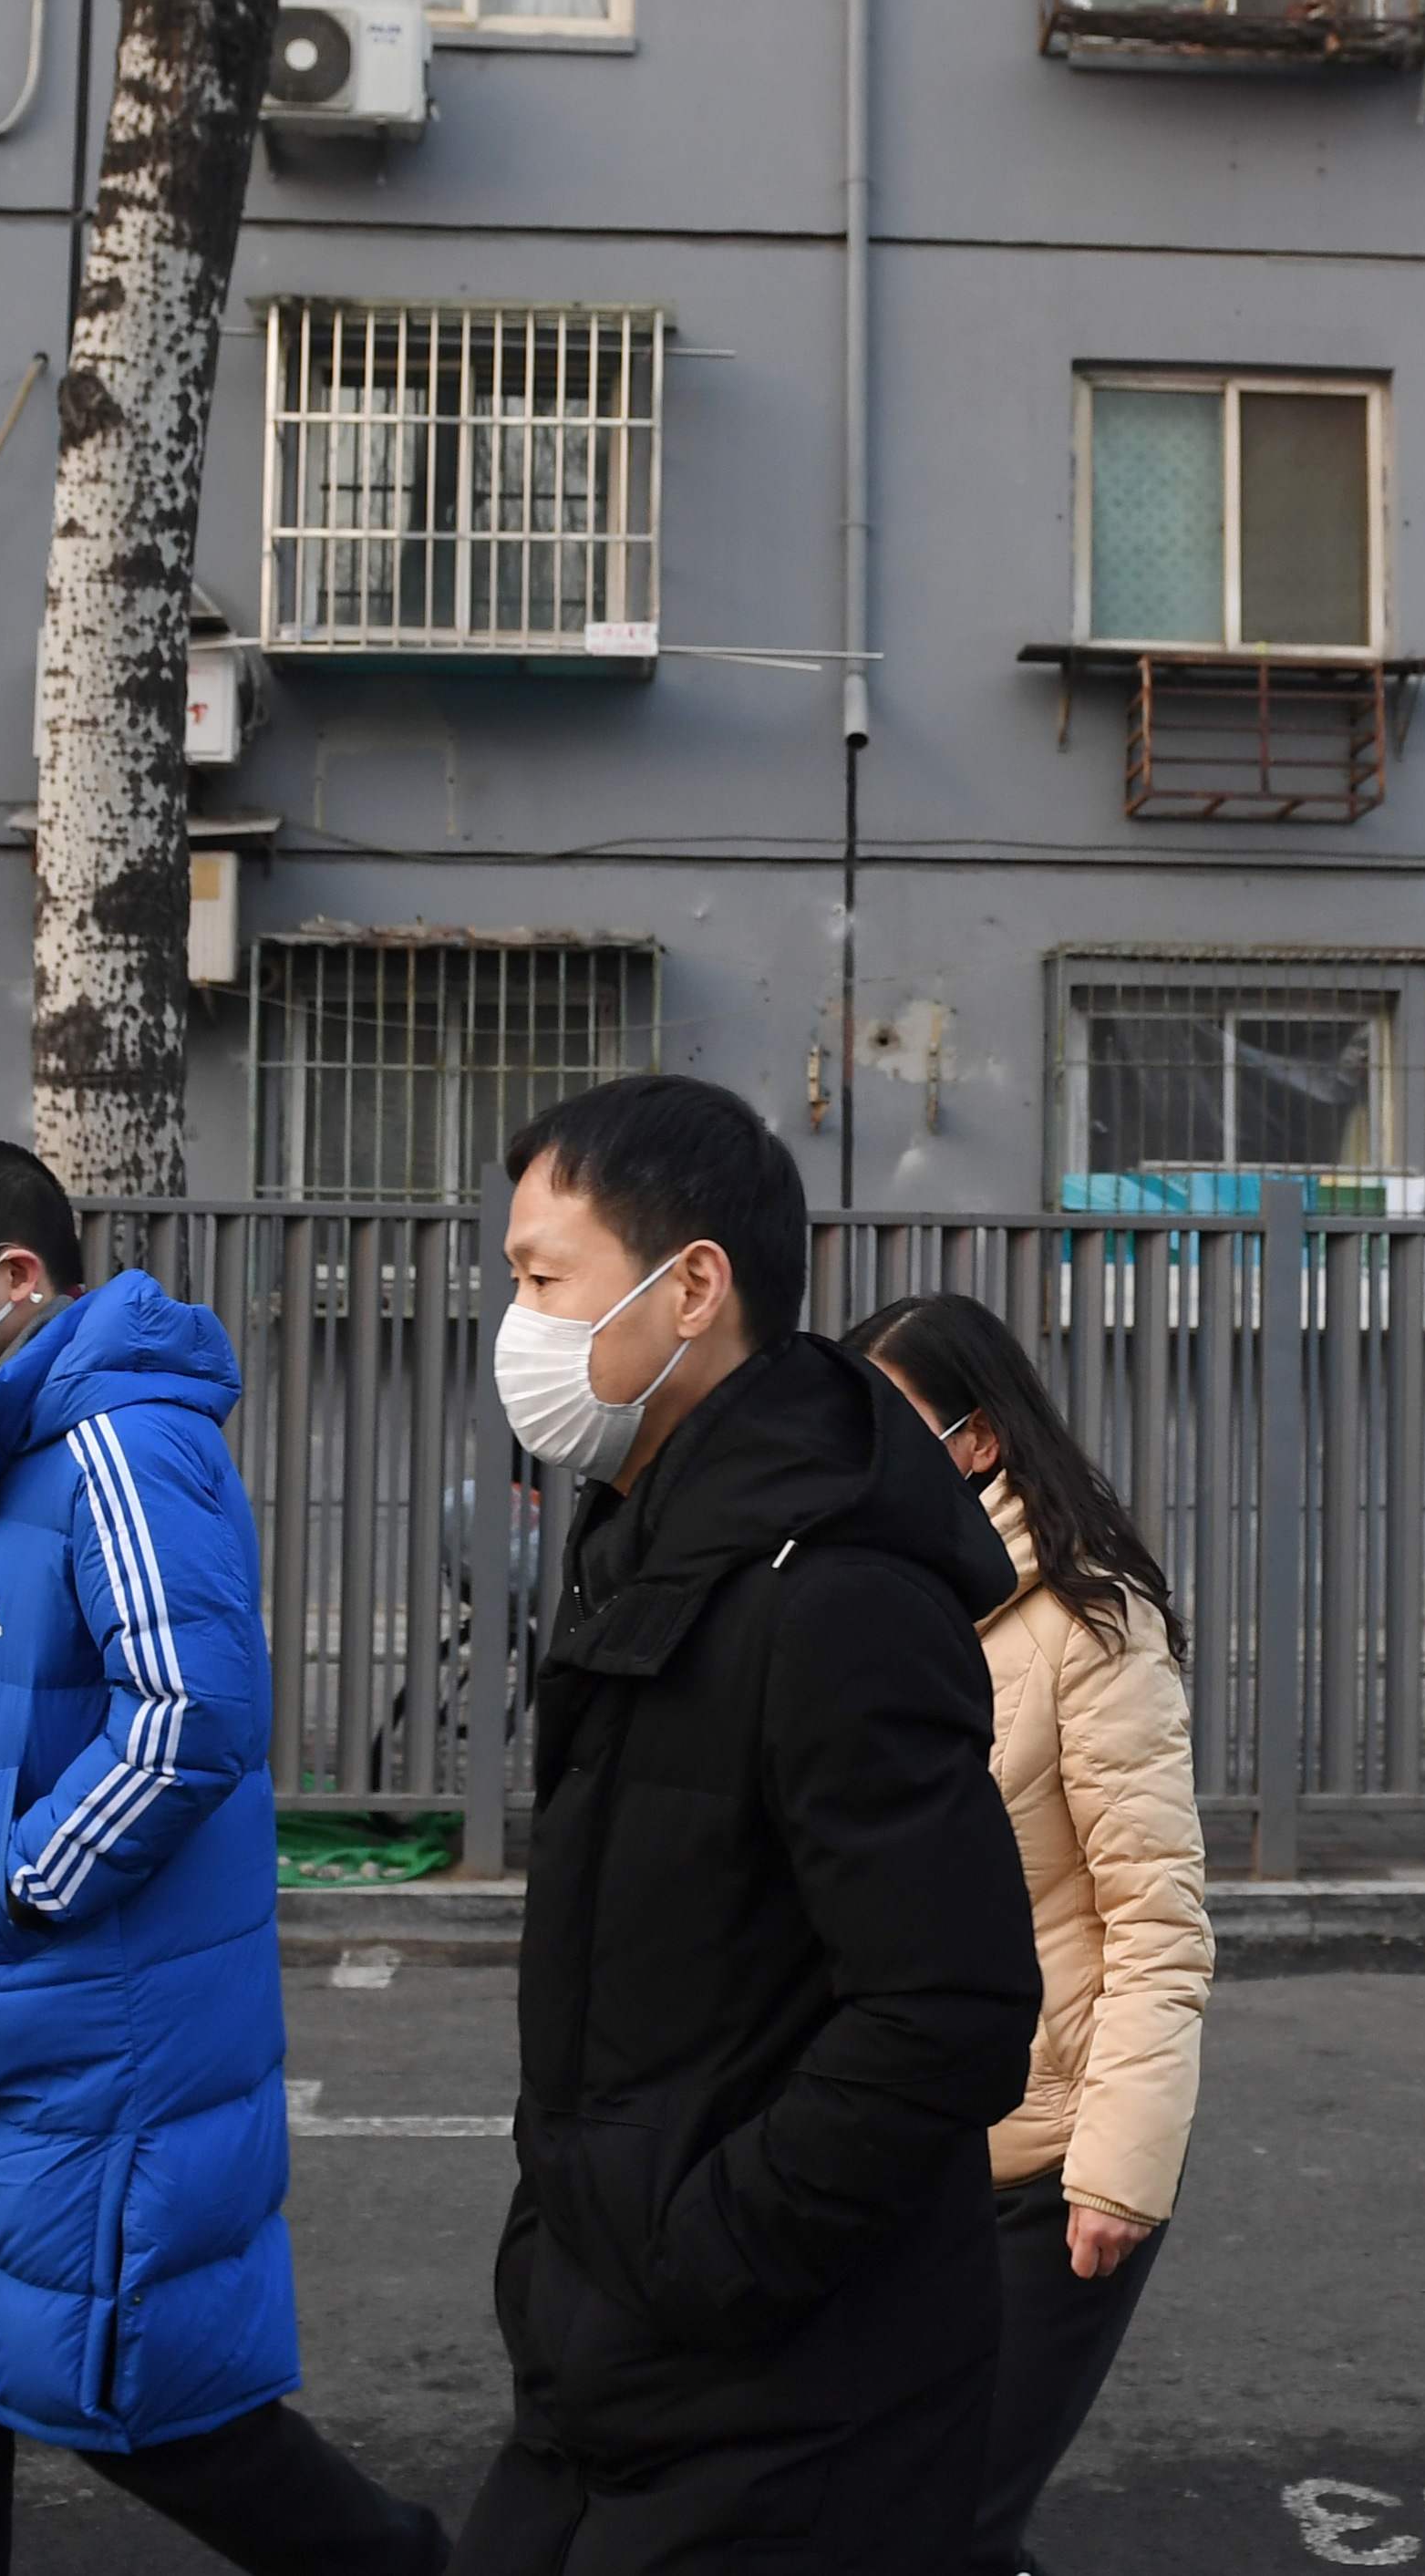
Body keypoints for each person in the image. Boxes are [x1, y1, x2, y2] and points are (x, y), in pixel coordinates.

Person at [0, 1139, 447, 2576]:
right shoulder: (11, 1446)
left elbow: (193, 1708)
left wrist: (29, 1880)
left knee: (154, 2408)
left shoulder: (119, 1439)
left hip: (84, 2032)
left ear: (15, 1276)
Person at [460, 1076, 1045, 2576]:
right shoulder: (649, 1545)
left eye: (542, 1280)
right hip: (619, 2362)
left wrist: (703, 2252)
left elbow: (950, 2010)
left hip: (784, 2401)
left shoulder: (831, 1590)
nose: (516, 1326)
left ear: (691, 1287)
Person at [842, 1292, 1211, 2576]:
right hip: (894, 2148)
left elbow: (1155, 1914)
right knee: (898, 2507)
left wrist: (1117, 2168)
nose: (856, 1451)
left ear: (979, 1438)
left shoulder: (1089, 1624)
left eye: (889, 1421)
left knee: (949, 2517)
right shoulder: (871, 1606)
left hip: (1045, 2165)